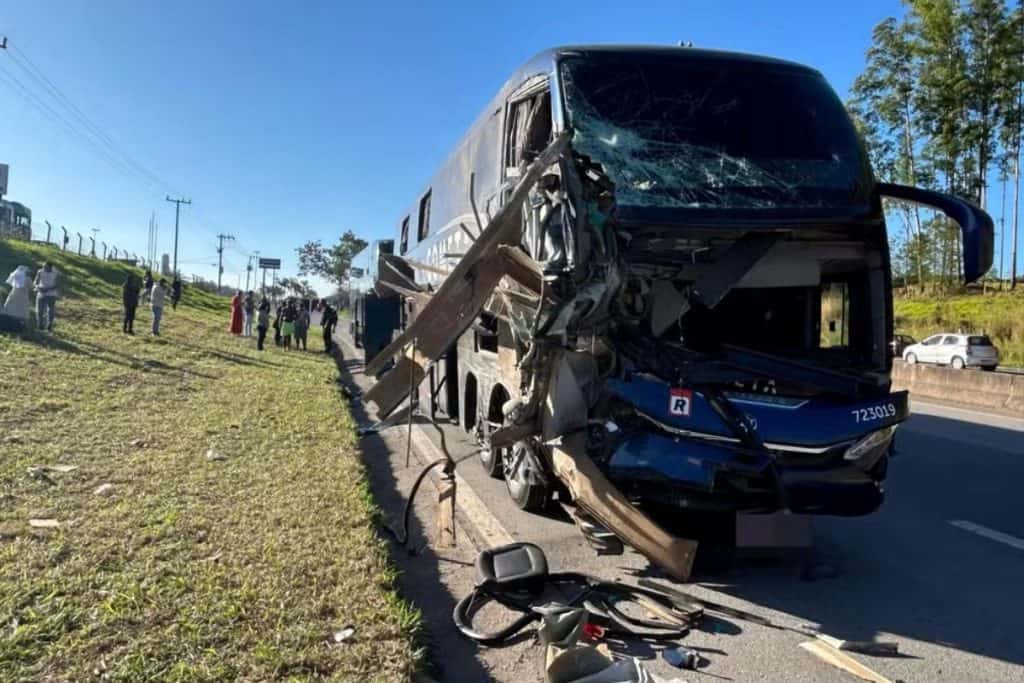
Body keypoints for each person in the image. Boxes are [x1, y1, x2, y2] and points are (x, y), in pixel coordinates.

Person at [33, 263, 59, 331]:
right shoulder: (40, 272)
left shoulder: (55, 273)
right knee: (39, 310)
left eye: (46, 267)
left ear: (51, 267)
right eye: (44, 267)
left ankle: (49, 325)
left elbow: (57, 284)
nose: (44, 268)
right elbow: (35, 281)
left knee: (50, 310)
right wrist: (38, 287)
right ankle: (40, 325)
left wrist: (48, 289)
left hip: (51, 294)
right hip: (41, 293)